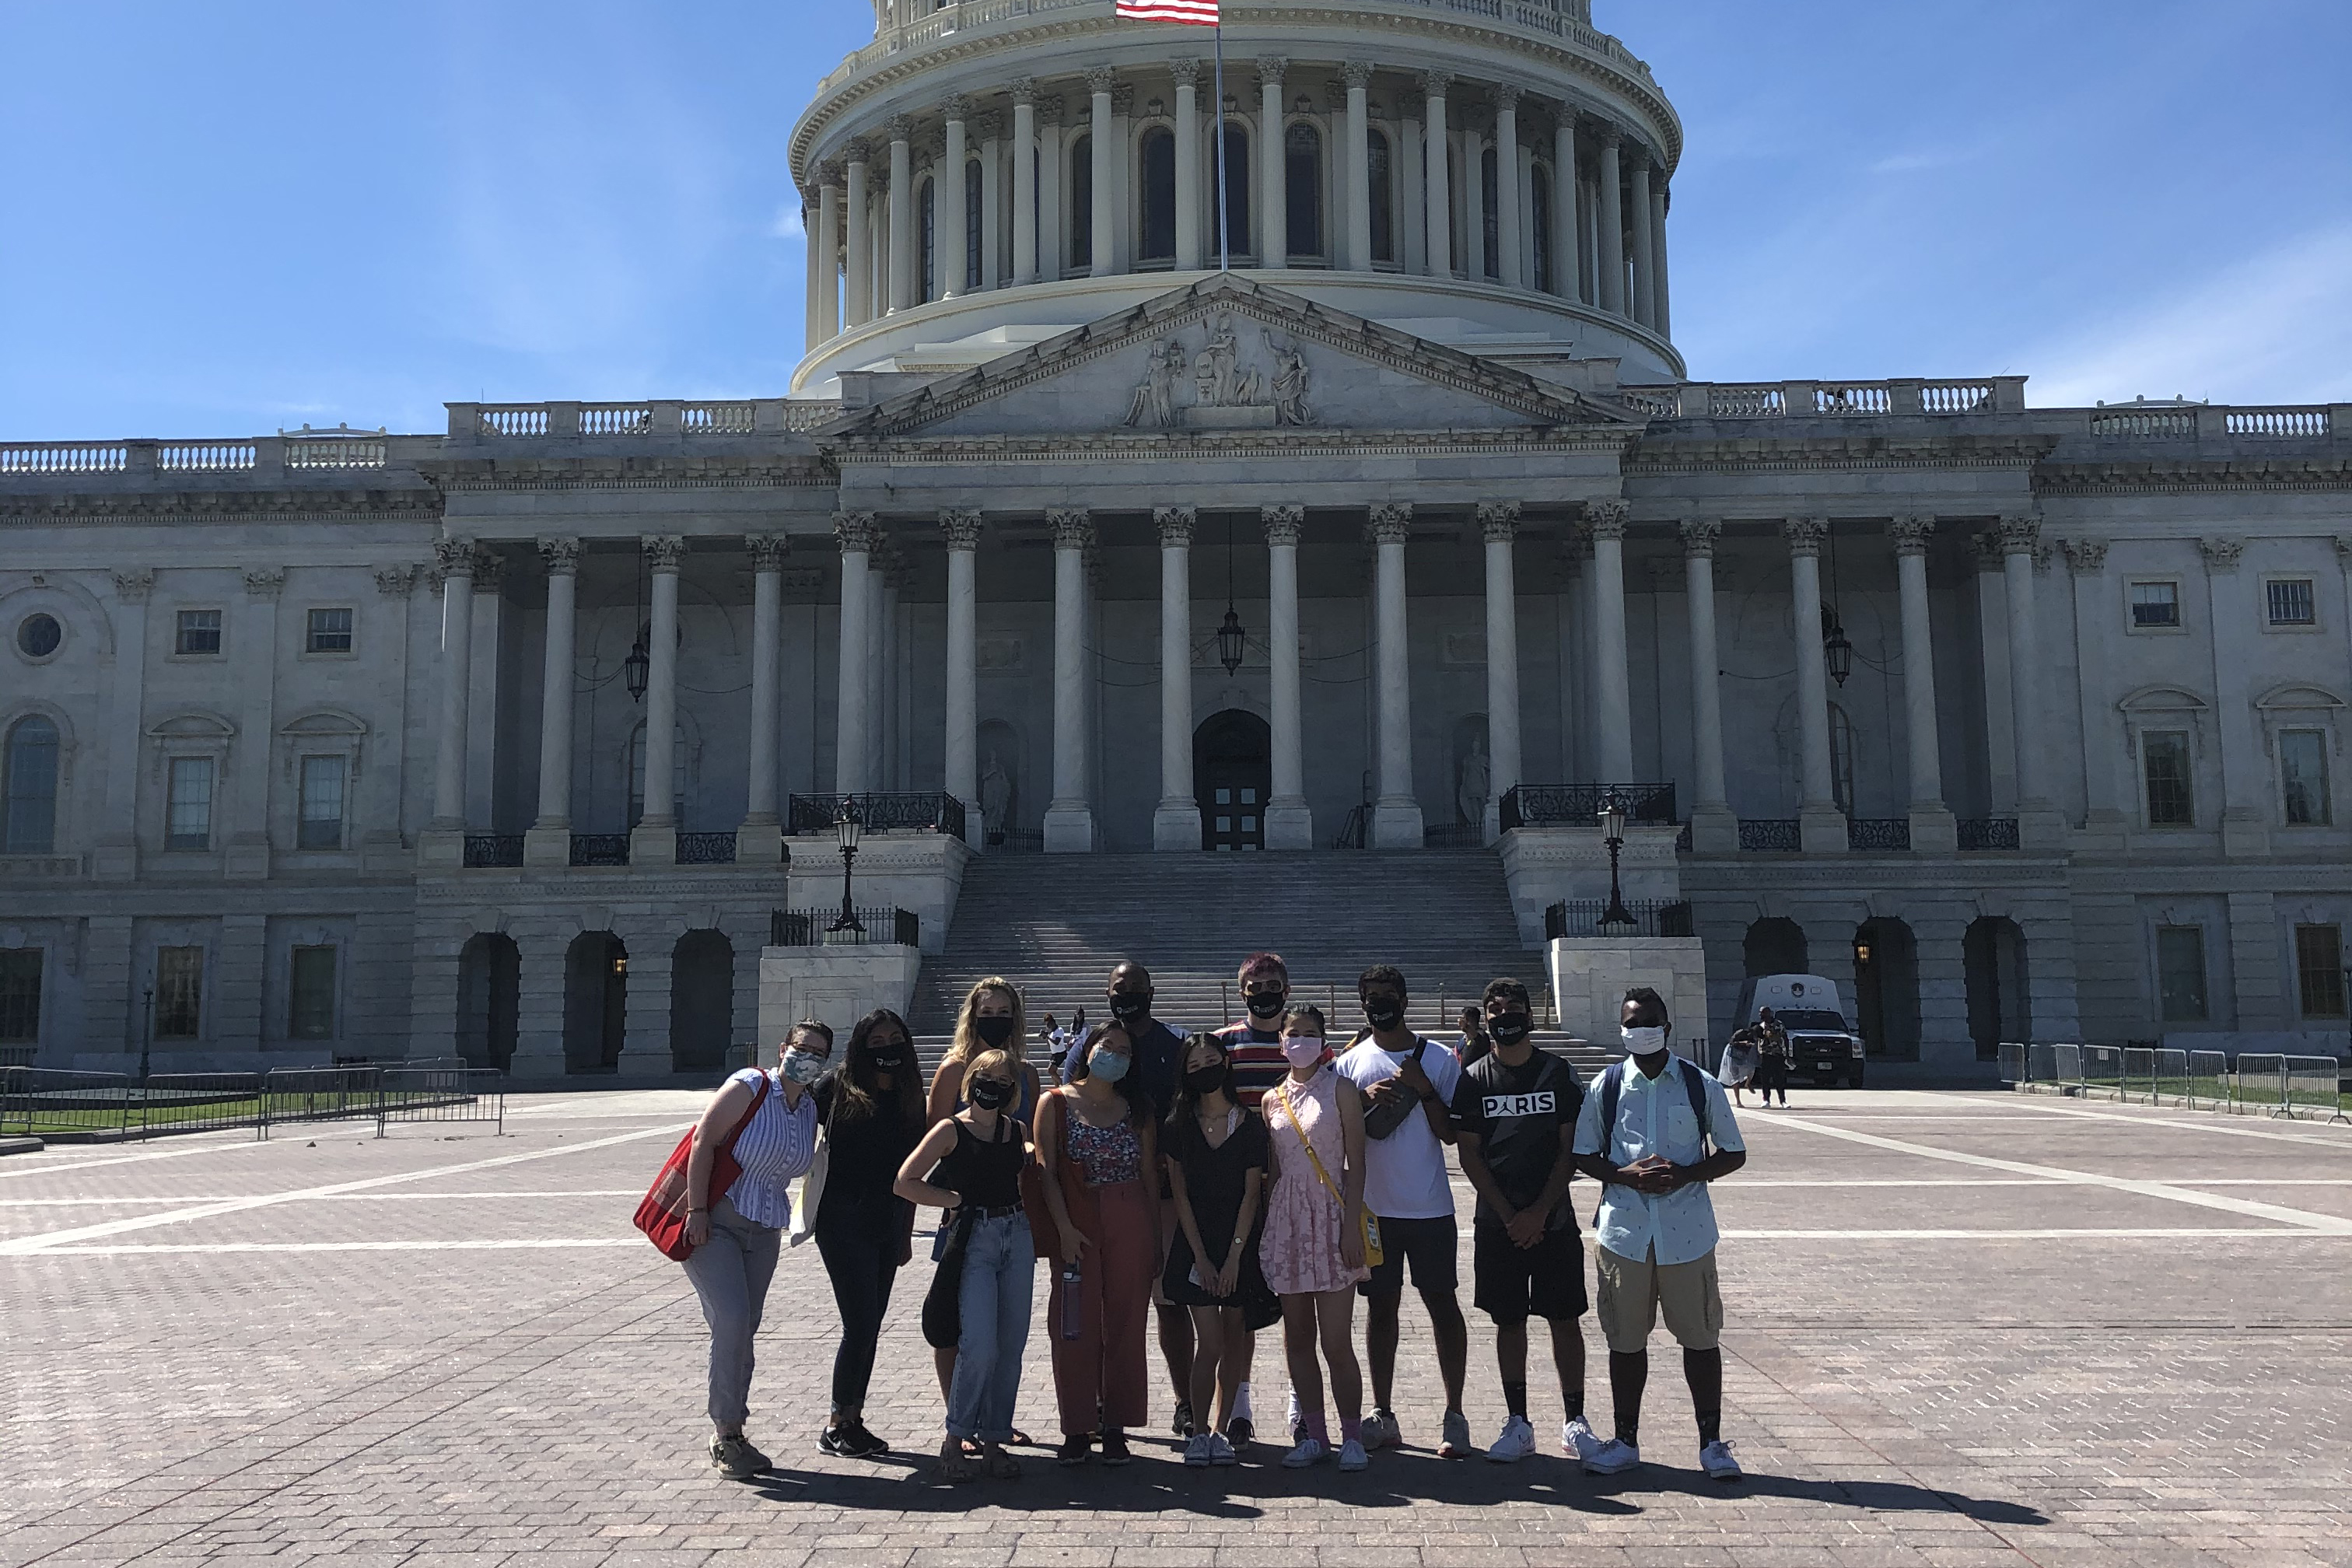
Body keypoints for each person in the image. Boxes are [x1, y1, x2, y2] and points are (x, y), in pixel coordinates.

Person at [1571, 987, 1749, 1482]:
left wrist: (1686, 1174)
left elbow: (1733, 1152)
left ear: (1667, 1028)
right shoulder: (1606, 1086)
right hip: (1624, 1232)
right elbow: (1583, 1154)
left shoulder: (1699, 1085)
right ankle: (1625, 1440)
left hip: (1686, 1231)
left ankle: (1712, 1443)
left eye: (1650, 1022)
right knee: (1625, 1341)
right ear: (1621, 1030)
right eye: (1632, 1023)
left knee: (1700, 1339)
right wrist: (1627, 1176)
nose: (1640, 1031)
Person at [1449, 978, 1602, 1465]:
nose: (1503, 1015)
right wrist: (1509, 1213)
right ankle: (1517, 1422)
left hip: (1553, 1219)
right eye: (1494, 1008)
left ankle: (1574, 1420)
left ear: (1530, 1015)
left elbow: (1570, 1149)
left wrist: (1538, 1212)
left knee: (1565, 1319)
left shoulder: (1557, 1073)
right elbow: (1470, 1155)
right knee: (1508, 1321)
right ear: (1486, 1018)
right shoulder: (1473, 1078)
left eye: (1513, 1007)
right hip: (1499, 1221)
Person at [1334, 964, 1472, 1458]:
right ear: (1362, 1003)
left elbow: (1453, 1132)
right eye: (1371, 996)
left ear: (1405, 998)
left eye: (1388, 995)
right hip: (1374, 1211)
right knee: (1380, 1309)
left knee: (1442, 1305)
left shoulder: (1438, 1058)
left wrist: (1424, 1088)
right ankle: (1383, 1411)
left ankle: (1455, 1413)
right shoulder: (1349, 1066)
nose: (1380, 1003)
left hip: (1430, 1205)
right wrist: (1363, 1101)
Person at [678, 1021, 824, 1479]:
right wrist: (697, 1209)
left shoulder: (809, 1110)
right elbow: (703, 1141)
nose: (809, 1059)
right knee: (733, 1320)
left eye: (819, 1053)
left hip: (764, 1231)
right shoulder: (750, 1086)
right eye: (802, 1049)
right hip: (717, 1221)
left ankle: (735, 1433)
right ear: (784, 1049)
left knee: (746, 1329)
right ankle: (724, 1432)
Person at [1062, 964, 1197, 1440]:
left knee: (1166, 1302)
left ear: (1152, 994)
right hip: (1097, 1200)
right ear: (1107, 993)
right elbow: (1069, 1107)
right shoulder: (1086, 1046)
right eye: (1121, 991)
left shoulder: (1175, 1044)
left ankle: (1186, 1402)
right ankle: (1101, 1404)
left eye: (1137, 991)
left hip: (1158, 1197)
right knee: (1098, 1306)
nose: (1129, 998)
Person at [896, 1047, 1037, 1481]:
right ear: (969, 1081)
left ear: (1013, 1091)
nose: (991, 1088)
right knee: (978, 1344)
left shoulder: (1016, 1130)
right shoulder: (950, 1129)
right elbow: (905, 1182)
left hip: (1017, 1232)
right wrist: (952, 1201)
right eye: (984, 1078)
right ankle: (955, 1440)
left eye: (1002, 1082)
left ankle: (995, 1441)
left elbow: (1026, 1167)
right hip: (974, 1237)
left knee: (1011, 1346)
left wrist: (1031, 1147)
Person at [1036, 1021, 1162, 1466]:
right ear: (1087, 1050)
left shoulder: (1137, 1109)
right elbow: (1046, 1171)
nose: (1114, 1054)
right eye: (1107, 1045)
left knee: (1126, 1323)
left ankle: (1116, 1424)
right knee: (1074, 1322)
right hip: (1078, 1216)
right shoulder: (1054, 1102)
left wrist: (1156, 1240)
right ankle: (1076, 1425)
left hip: (1130, 1214)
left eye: (1124, 1050)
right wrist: (1064, 1229)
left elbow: (1149, 1174)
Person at [927, 978, 1045, 1433]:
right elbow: (937, 1136)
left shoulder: (1026, 1072)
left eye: (1003, 1012)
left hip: (1013, 1211)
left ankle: (993, 1418)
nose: (994, 1019)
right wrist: (952, 1198)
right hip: (965, 1212)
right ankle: (961, 1415)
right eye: (986, 1011)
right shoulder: (955, 1068)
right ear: (971, 1015)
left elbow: (1032, 1132)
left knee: (1003, 1325)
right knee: (958, 1321)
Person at [807, 1015, 925, 1459]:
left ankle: (853, 1419)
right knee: (859, 1323)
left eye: (895, 1039)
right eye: (876, 1041)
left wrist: (907, 1232)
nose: (887, 1047)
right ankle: (837, 1423)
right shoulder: (836, 1088)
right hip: (842, 1220)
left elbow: (912, 1171)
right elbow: (794, 1122)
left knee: (871, 1324)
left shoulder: (911, 1093)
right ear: (860, 1046)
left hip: (887, 1219)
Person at [1260, 1004, 1370, 1471]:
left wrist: (1351, 1228)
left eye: (1309, 1033)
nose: (1300, 1041)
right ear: (1281, 1041)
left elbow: (1359, 1163)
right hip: (1287, 1219)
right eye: (1293, 1033)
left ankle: (1352, 1435)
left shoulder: (1342, 1088)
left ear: (1323, 1039)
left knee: (1336, 1342)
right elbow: (1273, 1168)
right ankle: (1315, 1435)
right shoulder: (1271, 1099)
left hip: (1331, 1214)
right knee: (1297, 1339)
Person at [1161, 1032, 1269, 1466]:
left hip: (1238, 1247)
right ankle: (1199, 1431)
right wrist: (1203, 1259)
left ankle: (1223, 1431)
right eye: (1194, 1064)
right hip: (1195, 1248)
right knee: (1208, 1342)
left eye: (1211, 1060)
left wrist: (1234, 1257)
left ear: (1226, 1064)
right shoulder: (1176, 1125)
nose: (1204, 1069)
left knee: (1233, 1341)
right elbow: (1180, 1196)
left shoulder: (1249, 1124)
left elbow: (1251, 1195)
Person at [1204, 949, 1295, 1444]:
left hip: (1294, 1191)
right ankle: (1238, 1406)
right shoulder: (1222, 1045)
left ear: (1288, 988)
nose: (1264, 994)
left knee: (1298, 1300)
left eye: (1273, 985)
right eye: (1255, 987)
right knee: (1237, 1304)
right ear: (1241, 992)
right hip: (1237, 1191)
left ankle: (1300, 1403)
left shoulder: (1307, 1045)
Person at [1753, 1007, 1791, 1108]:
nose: (1761, 1015)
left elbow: (1785, 1038)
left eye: (1763, 1013)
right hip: (1765, 1055)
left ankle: (1783, 1101)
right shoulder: (1760, 1026)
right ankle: (1766, 1100)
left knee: (1779, 1079)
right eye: (1760, 1013)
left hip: (1778, 1054)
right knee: (1765, 1079)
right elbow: (1758, 1040)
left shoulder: (1778, 1024)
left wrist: (1787, 1054)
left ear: (1769, 1013)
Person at [1718, 1027, 1760, 1108]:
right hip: (1732, 1055)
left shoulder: (1754, 1039)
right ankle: (1738, 1101)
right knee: (1735, 1078)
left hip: (1742, 1055)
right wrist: (1743, 1043)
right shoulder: (1740, 1032)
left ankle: (1748, 1083)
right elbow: (1731, 1042)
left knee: (1751, 1068)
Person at [1454, 1005, 1491, 1069]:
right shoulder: (1462, 1040)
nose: (1460, 1021)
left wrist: (1466, 1026)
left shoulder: (1482, 1035)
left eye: (1463, 1019)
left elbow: (1477, 1037)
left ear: (1469, 1020)